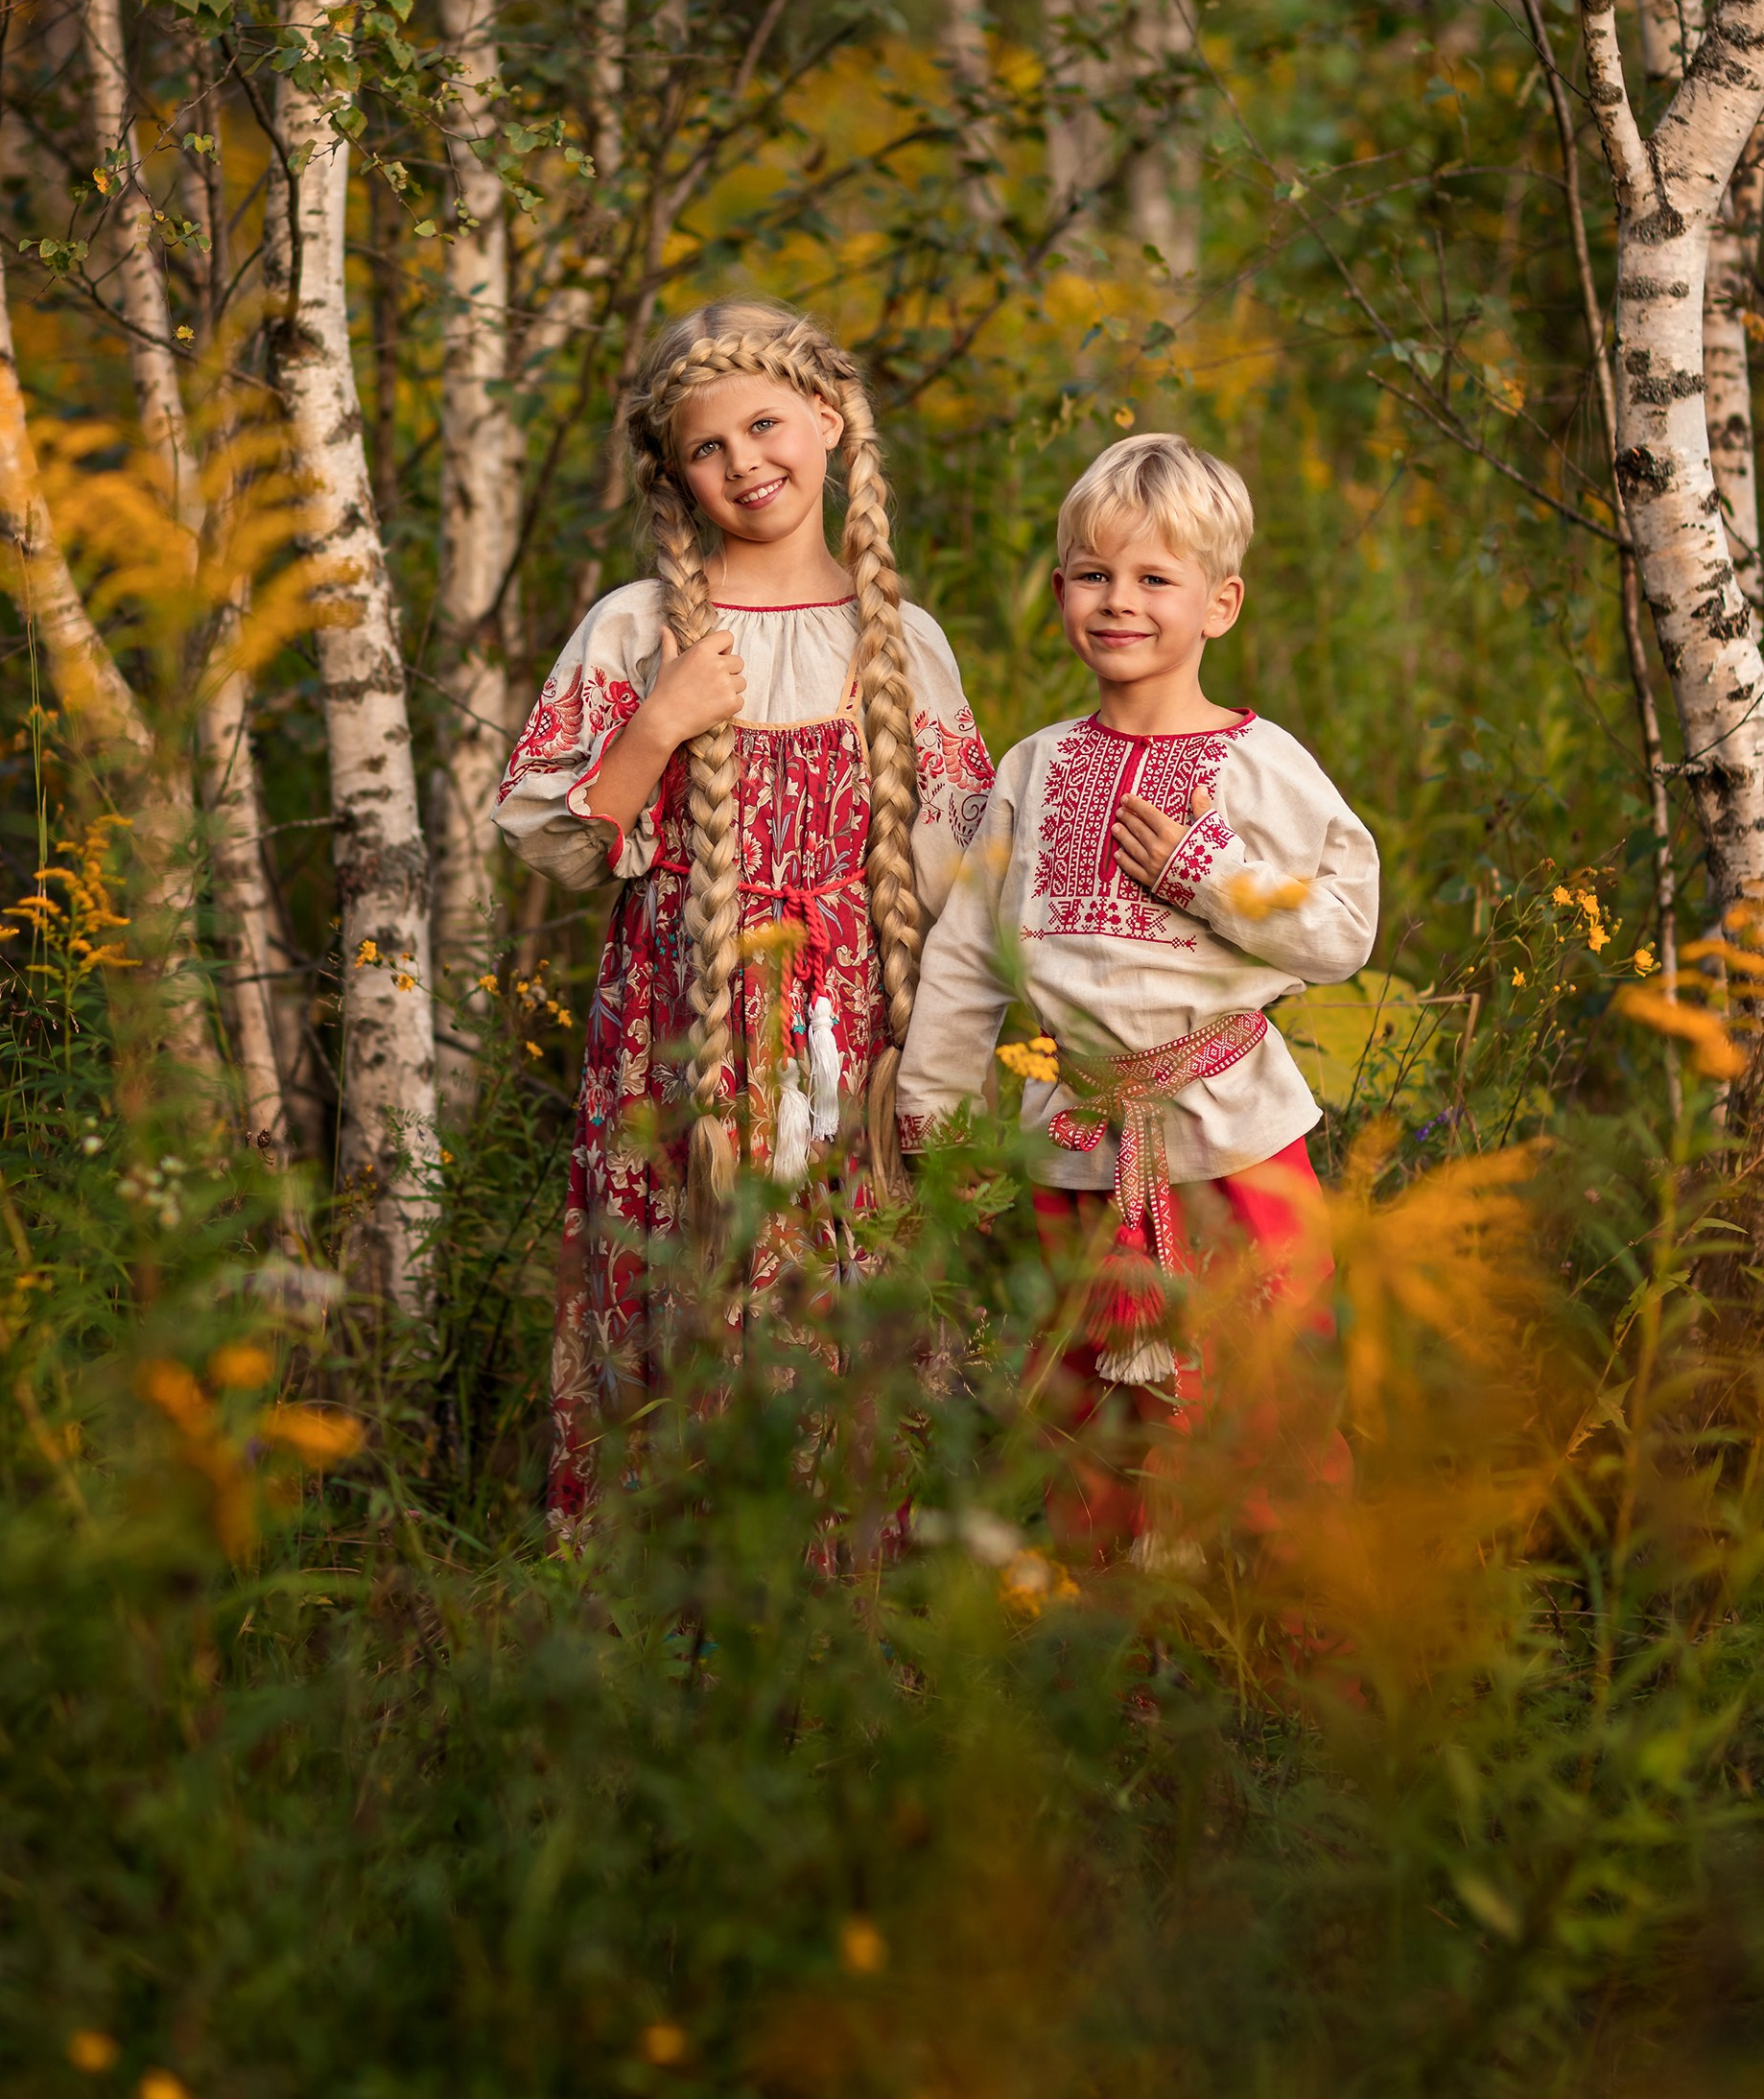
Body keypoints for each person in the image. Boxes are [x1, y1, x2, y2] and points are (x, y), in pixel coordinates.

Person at [495, 301, 992, 1521]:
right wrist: (659, 720)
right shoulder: (634, 630)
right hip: (679, 1046)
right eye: (706, 450)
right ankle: (675, 1628)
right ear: (675, 478)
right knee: (685, 1296)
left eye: (765, 425)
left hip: (851, 1049)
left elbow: (967, 871)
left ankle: (847, 1605)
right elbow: (552, 841)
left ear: (827, 421)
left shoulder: (898, 643)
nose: (744, 465)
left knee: (842, 1309)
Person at [896, 432, 1379, 1559]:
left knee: (1267, 1386)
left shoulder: (1258, 763)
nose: (1117, 602)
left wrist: (1204, 874)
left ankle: (1290, 1640)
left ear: (1219, 602)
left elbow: (1339, 931)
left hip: (1233, 1136)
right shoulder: (1034, 767)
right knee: (1085, 1400)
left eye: (1153, 578)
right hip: (1078, 1138)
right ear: (1060, 589)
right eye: (1090, 574)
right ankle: (1110, 1651)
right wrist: (933, 1110)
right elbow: (967, 954)